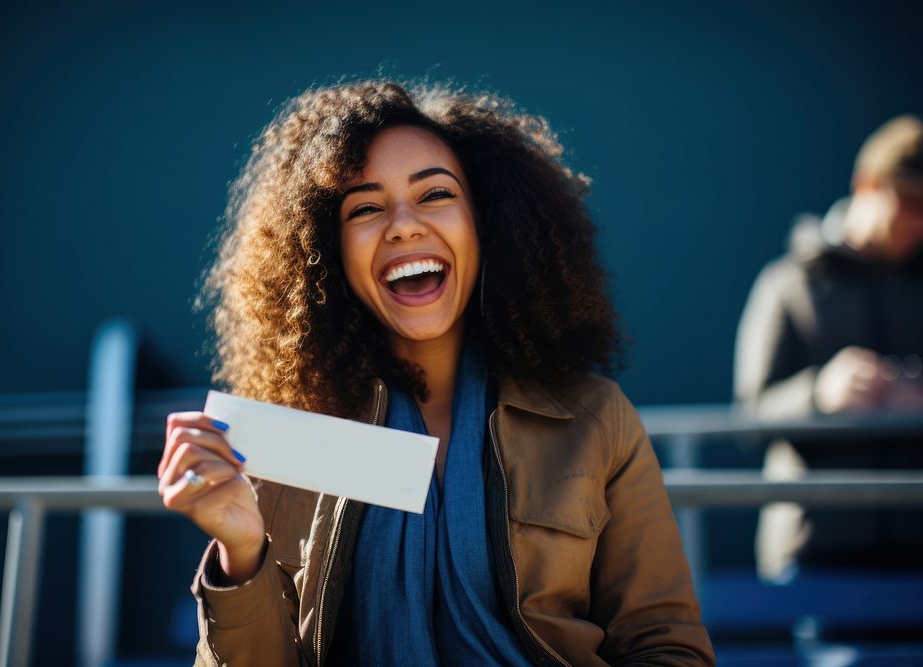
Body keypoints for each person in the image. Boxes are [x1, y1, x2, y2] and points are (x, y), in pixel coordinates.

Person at [158, 81, 714, 666]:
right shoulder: (288, 438)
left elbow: (667, 648)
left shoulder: (595, 419)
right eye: (366, 208)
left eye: (435, 195)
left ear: (487, 222)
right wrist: (240, 554)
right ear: (329, 250)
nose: (403, 225)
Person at [734, 115, 923, 581]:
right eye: (910, 201)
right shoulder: (789, 282)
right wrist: (820, 394)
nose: (918, 221)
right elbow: (749, 415)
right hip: (818, 555)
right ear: (867, 185)